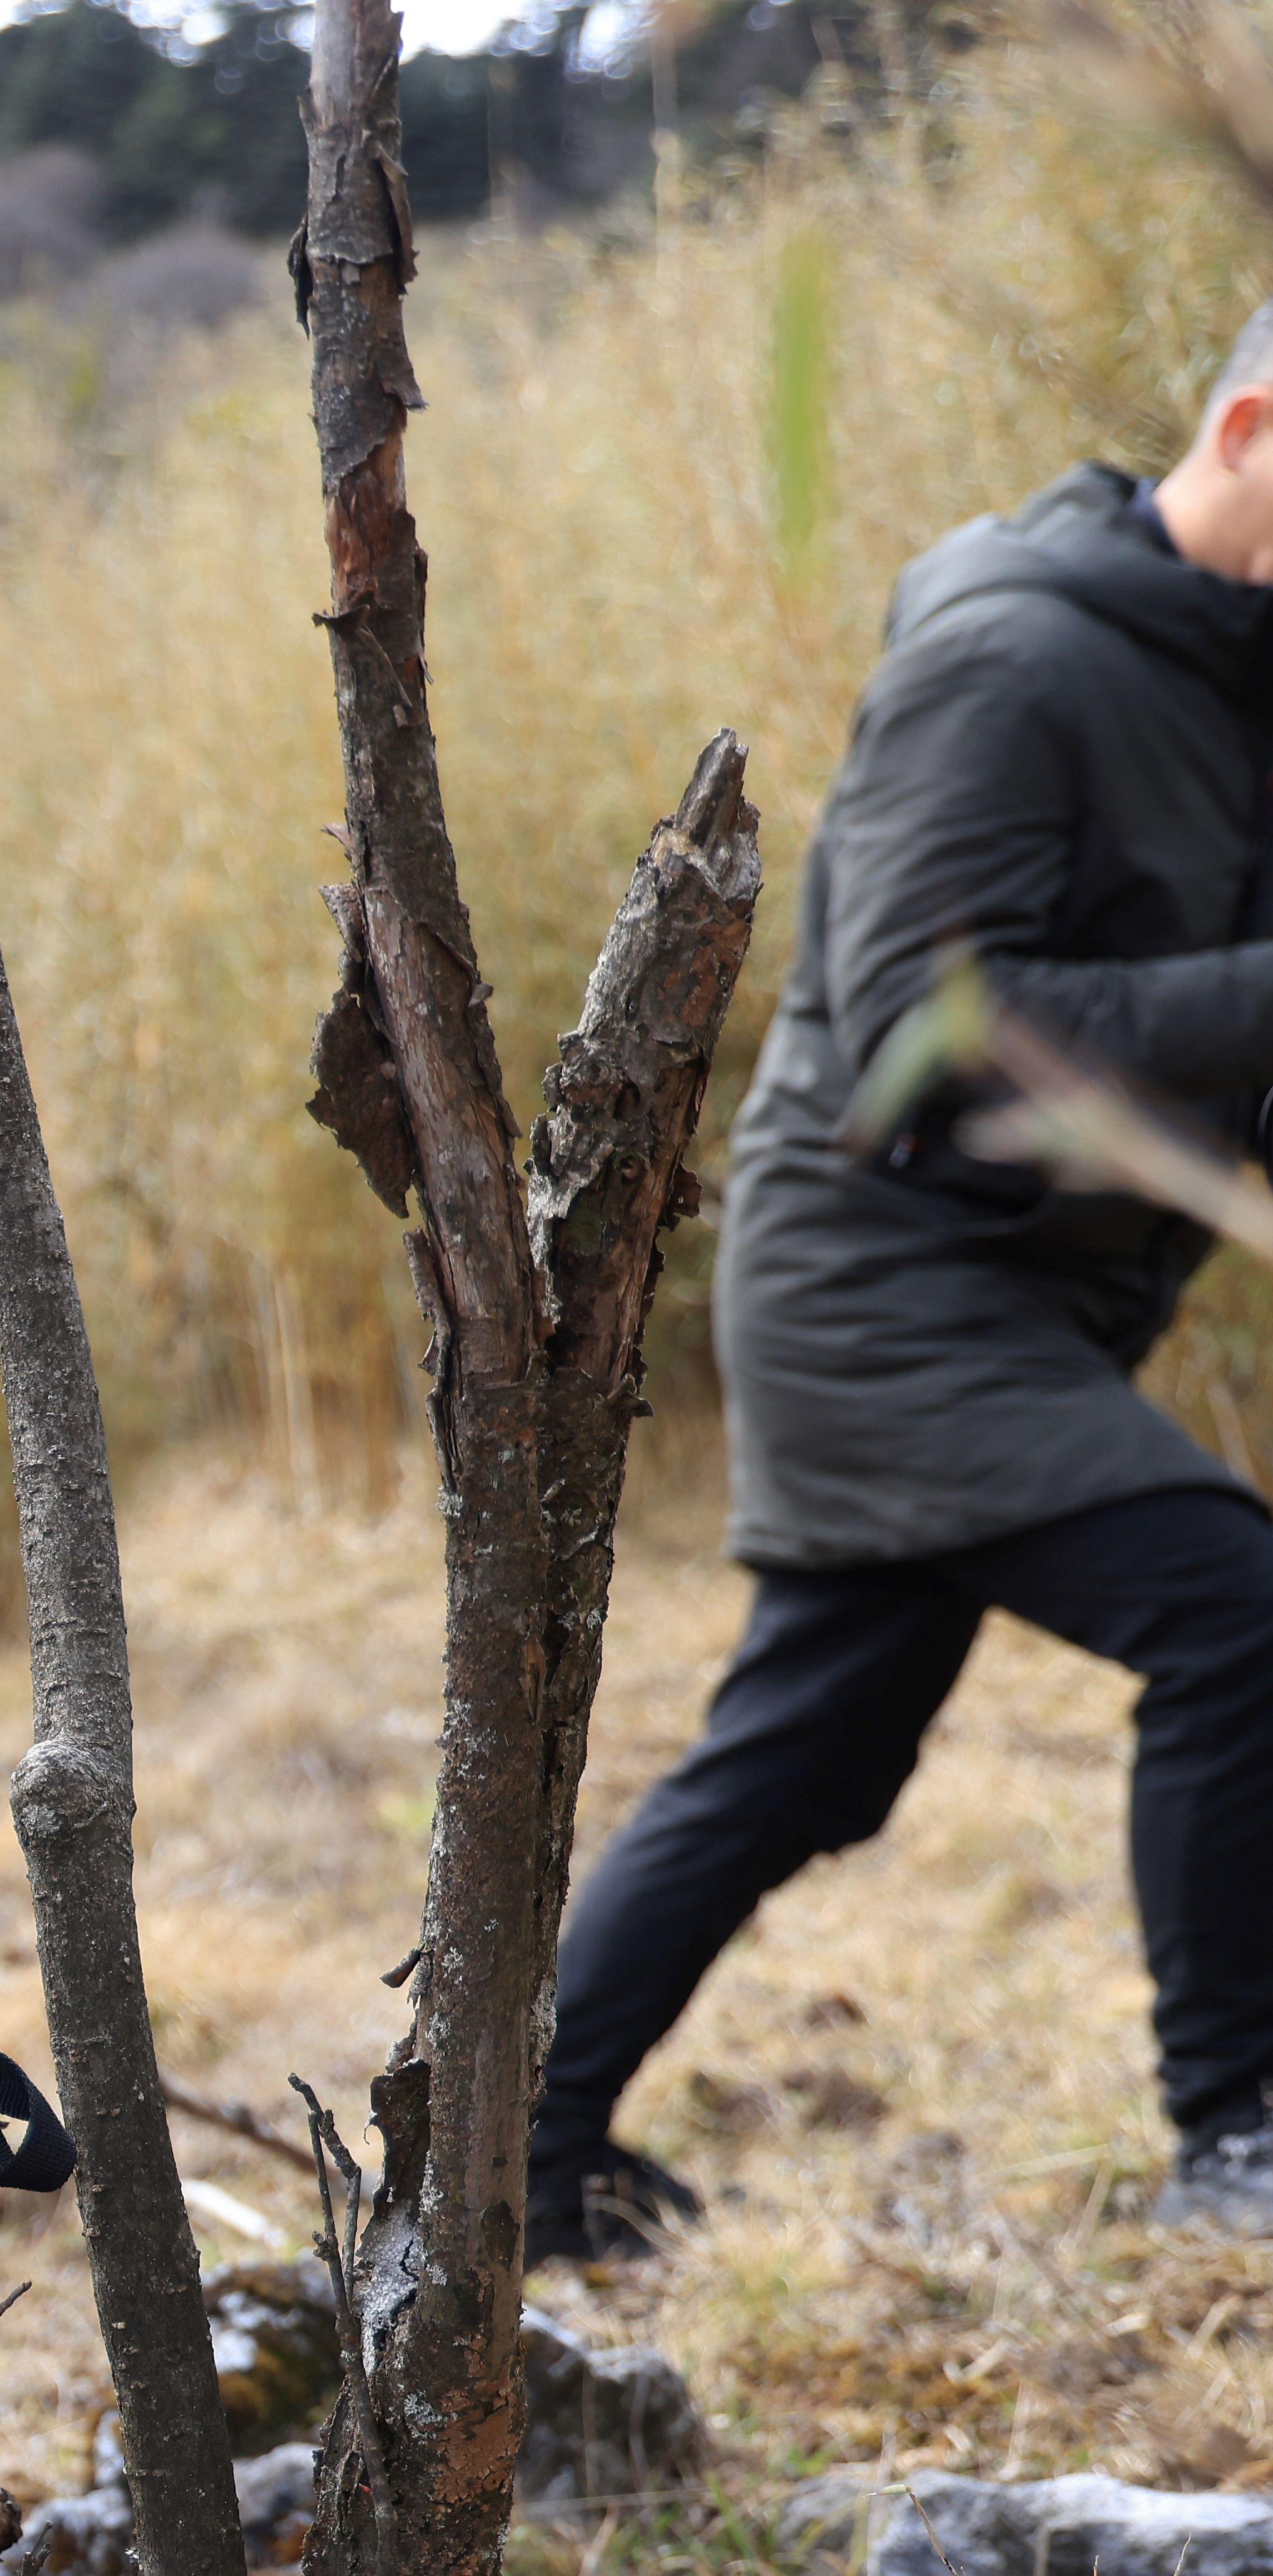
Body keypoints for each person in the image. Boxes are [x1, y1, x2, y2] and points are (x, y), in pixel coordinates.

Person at [530, 306, 1273, 2258]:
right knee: (1237, 1618)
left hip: (1032, 1293)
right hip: (882, 1284)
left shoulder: (1233, 674)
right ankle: (1236, 2139)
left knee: (808, 1755)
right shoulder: (1013, 659)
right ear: (1254, 426)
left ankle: (513, 2158)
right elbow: (924, 1037)